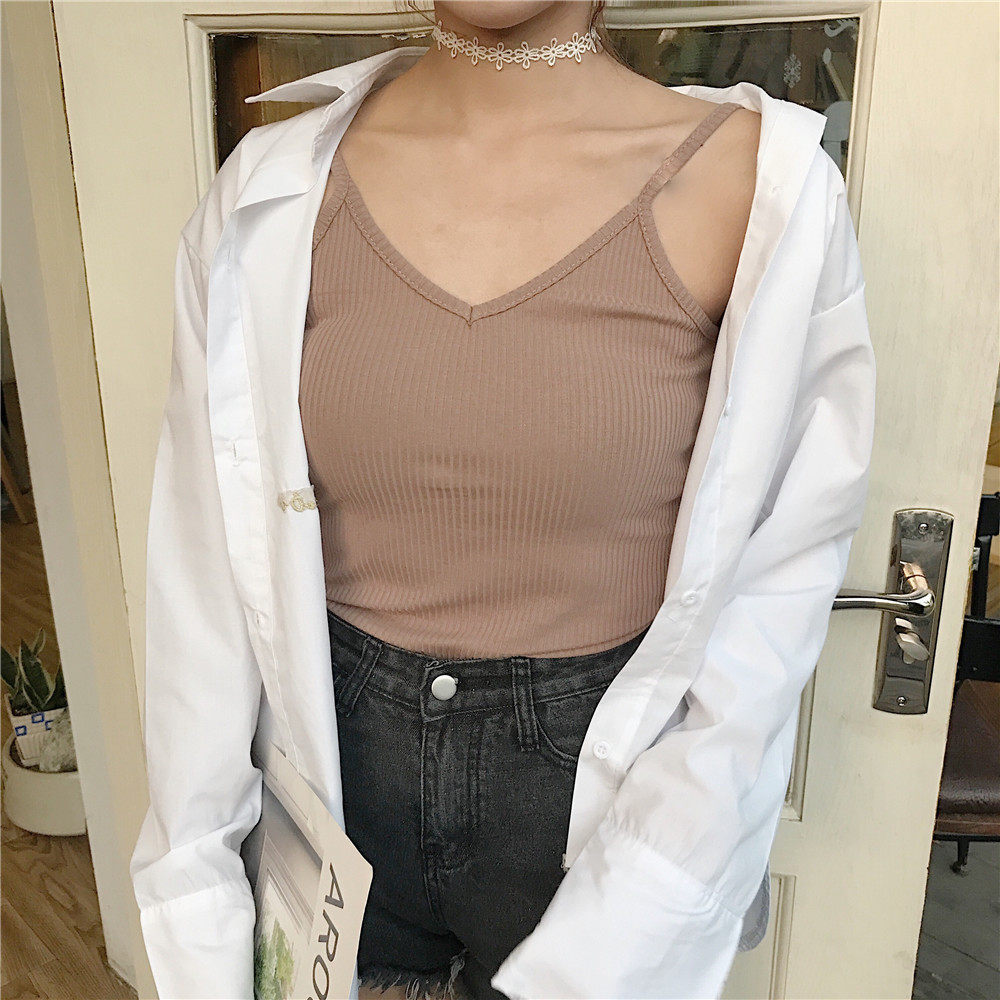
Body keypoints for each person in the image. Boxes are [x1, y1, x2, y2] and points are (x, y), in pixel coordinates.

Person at [130, 3, 876, 999]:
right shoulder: (270, 193)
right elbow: (203, 572)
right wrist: (197, 892)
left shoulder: (757, 190)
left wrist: (665, 864)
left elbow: (776, 584)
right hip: (332, 774)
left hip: (594, 790)